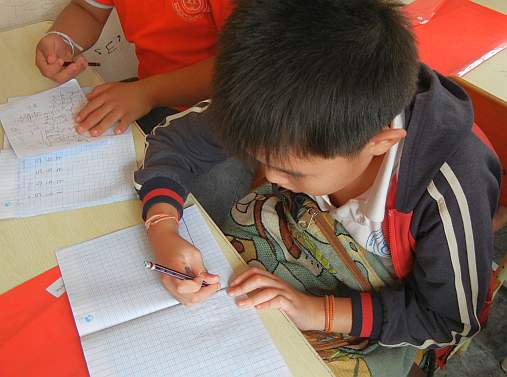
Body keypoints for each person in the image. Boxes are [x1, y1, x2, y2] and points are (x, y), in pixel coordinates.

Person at [133, 0, 502, 375]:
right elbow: (173, 143)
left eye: (293, 172)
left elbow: (446, 318)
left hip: (386, 312)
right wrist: (162, 227)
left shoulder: (449, 185)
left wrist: (315, 311)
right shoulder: (281, 104)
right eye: (263, 160)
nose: (270, 179)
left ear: (380, 142)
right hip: (294, 244)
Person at [35, 0, 233, 135]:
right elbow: (87, 10)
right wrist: (64, 39)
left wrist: (146, 93)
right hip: (150, 96)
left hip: (228, 110)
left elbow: (242, 67)